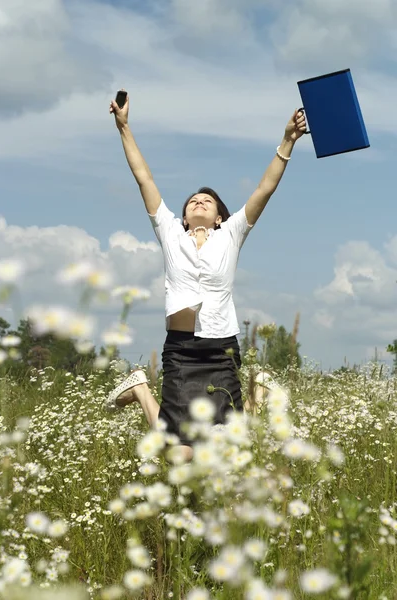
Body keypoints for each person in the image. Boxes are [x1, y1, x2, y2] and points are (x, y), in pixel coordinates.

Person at [107, 90, 306, 461]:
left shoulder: (231, 234)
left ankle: (257, 391)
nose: (198, 200)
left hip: (221, 350)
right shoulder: (169, 232)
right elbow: (143, 178)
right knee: (176, 456)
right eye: (192, 200)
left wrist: (288, 140)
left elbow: (265, 188)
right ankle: (140, 392)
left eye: (208, 200)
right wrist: (124, 128)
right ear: (183, 216)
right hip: (181, 353)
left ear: (219, 216)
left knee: (231, 452)